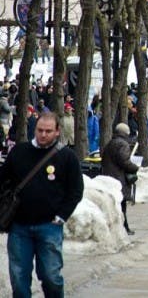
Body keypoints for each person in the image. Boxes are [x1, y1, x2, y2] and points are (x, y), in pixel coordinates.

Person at [0, 112, 84, 298]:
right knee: (19, 276)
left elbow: (76, 190)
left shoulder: (67, 157)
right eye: (39, 130)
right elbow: (3, 179)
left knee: (51, 276)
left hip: (50, 226)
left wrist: (62, 215)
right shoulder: (20, 152)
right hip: (19, 226)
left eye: (48, 131)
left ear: (57, 131)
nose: (43, 135)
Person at [101, 123, 139, 235]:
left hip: (109, 176)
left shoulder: (111, 143)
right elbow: (124, 162)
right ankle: (124, 228)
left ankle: (123, 227)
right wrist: (135, 167)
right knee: (121, 205)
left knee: (116, 204)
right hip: (119, 178)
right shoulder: (123, 144)